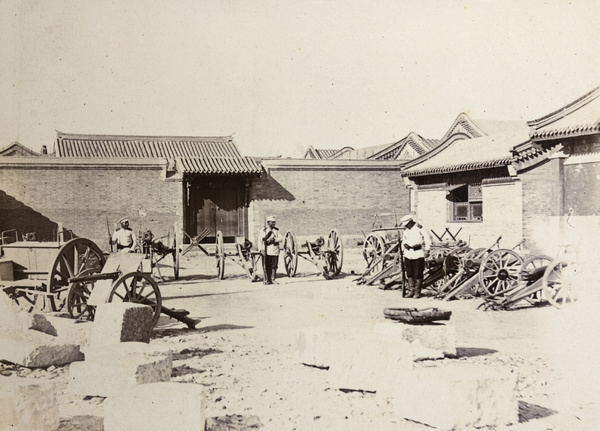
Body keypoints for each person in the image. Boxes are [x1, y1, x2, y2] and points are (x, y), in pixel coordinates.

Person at [399, 214, 431, 298]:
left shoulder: (419, 228)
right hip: (408, 254)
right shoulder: (406, 230)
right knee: (409, 273)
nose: (406, 226)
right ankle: (411, 291)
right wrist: (402, 250)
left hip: (418, 253)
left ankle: (417, 292)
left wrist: (427, 249)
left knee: (418, 273)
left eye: (406, 224)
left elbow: (427, 238)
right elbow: (404, 240)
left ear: (410, 222)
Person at [258, 215, 282, 285]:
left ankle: (273, 279)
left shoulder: (276, 230)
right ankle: (267, 279)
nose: (274, 223)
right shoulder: (263, 230)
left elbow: (280, 238)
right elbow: (260, 241)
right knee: (267, 265)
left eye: (274, 222)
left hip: (274, 250)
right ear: (268, 223)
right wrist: (261, 250)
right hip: (266, 251)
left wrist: (274, 239)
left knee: (274, 266)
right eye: (272, 222)